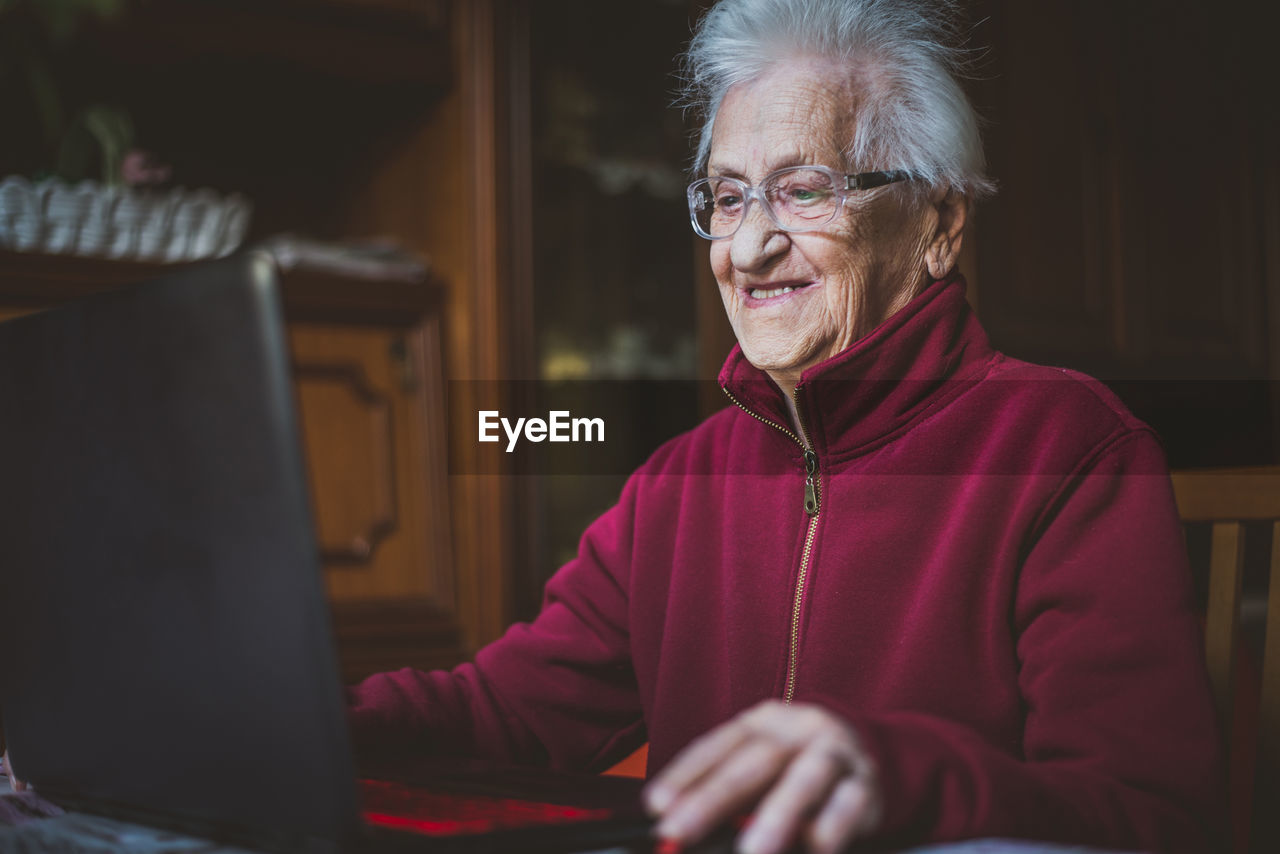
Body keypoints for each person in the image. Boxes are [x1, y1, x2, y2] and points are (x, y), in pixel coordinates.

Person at [7, 0, 1225, 851]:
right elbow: (505, 711)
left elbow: (1149, 817)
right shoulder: (672, 480)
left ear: (940, 225)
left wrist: (896, 775)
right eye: (724, 196)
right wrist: (238, 723)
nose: (747, 246)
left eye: (805, 189)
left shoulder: (1068, 448)